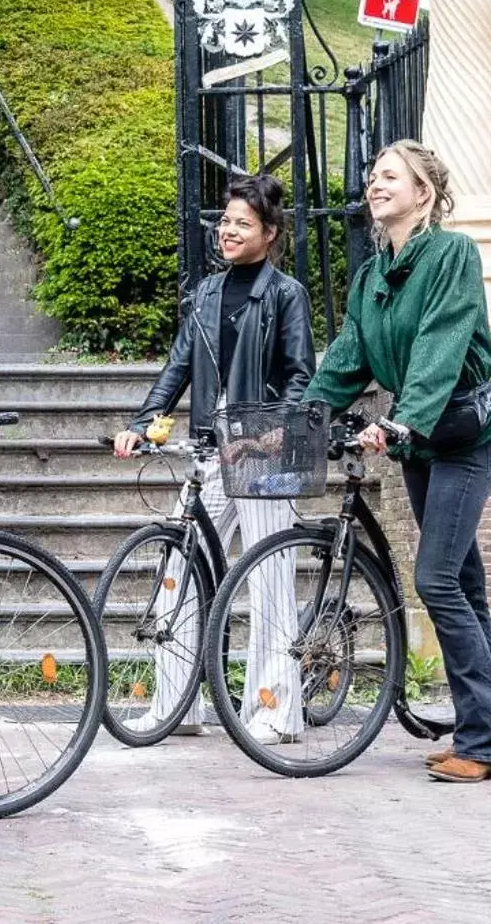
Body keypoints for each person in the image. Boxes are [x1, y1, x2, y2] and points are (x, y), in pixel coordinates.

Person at [303, 139, 491, 783]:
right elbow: (346, 359)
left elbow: (441, 343)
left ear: (424, 193)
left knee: (438, 580)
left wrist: (401, 418)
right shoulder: (372, 277)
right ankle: (487, 723)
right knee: (462, 582)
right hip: (421, 441)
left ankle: (483, 744)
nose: (375, 184)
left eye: (391, 176)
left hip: (466, 437)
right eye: (372, 177)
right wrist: (300, 418)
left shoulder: (453, 255)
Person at [113, 174, 314, 743]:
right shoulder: (205, 293)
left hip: (262, 454)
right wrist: (141, 423)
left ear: (269, 234)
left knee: (270, 578)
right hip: (209, 450)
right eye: (225, 221)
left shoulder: (284, 294)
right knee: (179, 572)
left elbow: (302, 374)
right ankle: (177, 706)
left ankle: (274, 710)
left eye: (242, 224)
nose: (228, 231)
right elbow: (177, 367)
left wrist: (273, 429)